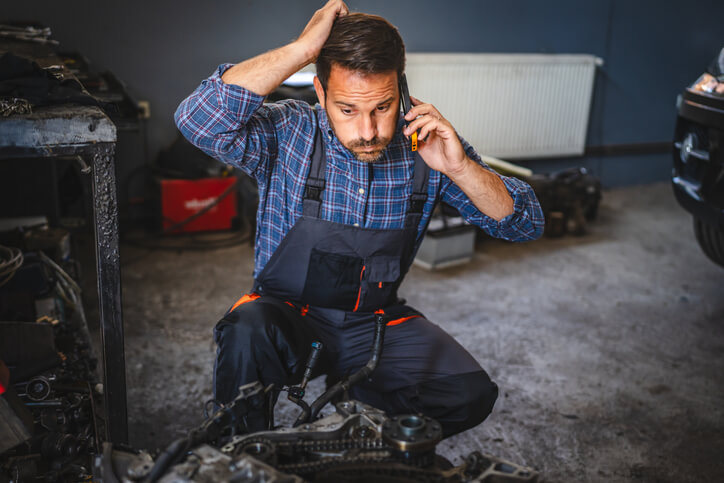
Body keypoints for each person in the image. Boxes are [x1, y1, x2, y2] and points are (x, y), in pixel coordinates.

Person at [175, 0, 544, 437]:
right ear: (321, 91)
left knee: (469, 394)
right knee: (246, 330)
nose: (367, 131)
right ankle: (245, 451)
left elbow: (525, 223)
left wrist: (461, 168)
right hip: (287, 318)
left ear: (402, 93)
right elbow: (197, 119)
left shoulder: (428, 149)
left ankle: (358, 429)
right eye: (348, 109)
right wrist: (302, 48)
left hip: (372, 323)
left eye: (382, 108)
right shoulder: (289, 132)